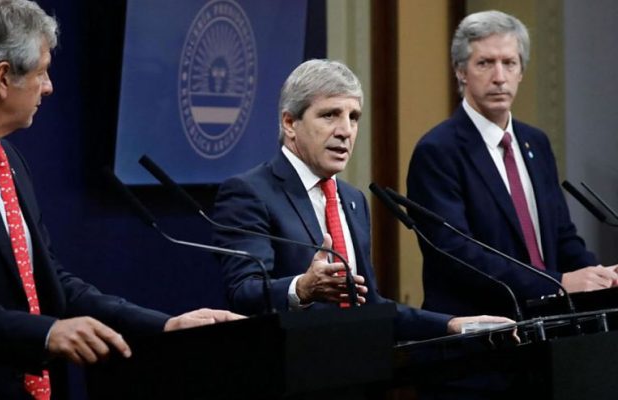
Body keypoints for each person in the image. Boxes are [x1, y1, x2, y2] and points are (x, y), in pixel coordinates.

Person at [0, 1, 241, 399]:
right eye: (42, 72)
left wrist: (164, 326)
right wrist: (46, 333)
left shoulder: (7, 158)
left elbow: (49, 283)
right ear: (3, 77)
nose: (49, 86)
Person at [211, 59, 510, 340]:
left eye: (353, 117)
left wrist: (450, 324)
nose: (345, 131)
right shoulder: (249, 193)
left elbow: (369, 306)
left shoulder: (353, 199)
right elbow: (242, 292)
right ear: (290, 123)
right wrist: (301, 288)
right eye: (330, 115)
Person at [407, 10, 618, 317]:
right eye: (485, 63)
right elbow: (457, 255)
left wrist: (601, 277)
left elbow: (561, 237)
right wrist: (557, 284)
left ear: (521, 71)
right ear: (461, 71)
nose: (499, 77)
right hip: (481, 332)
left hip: (548, 326)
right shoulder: (438, 151)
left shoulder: (537, 143)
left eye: (509, 63)